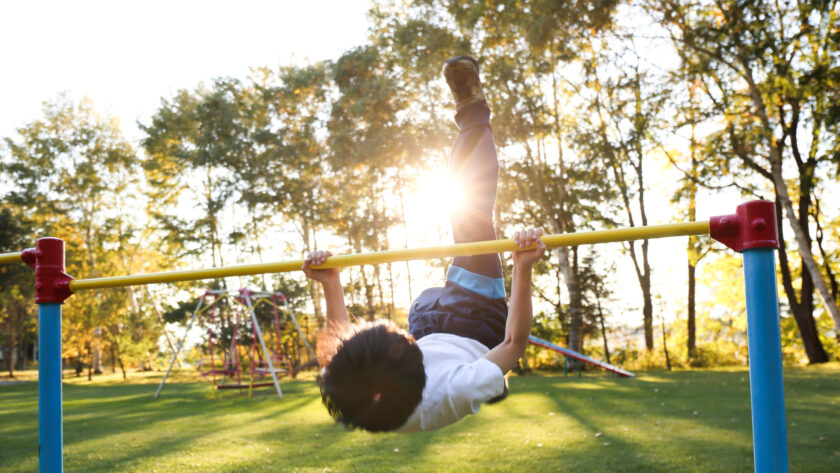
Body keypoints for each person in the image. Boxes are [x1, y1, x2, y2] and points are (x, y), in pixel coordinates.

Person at [302, 56, 547, 433]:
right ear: (412, 366)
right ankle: (472, 108)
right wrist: (523, 265)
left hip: (427, 322)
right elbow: (514, 342)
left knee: (461, 221)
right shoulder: (455, 390)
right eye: (400, 344)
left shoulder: (364, 395)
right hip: (476, 323)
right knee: (469, 211)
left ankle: (434, 342)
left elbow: (343, 351)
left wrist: (331, 282)